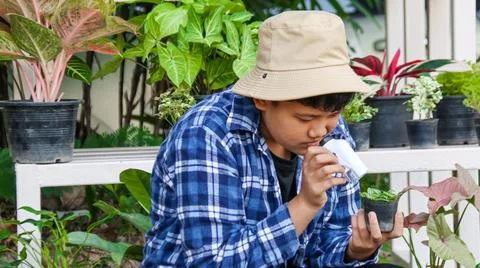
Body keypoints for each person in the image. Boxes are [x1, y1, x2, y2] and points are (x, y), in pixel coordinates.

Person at [143, 10, 403, 267]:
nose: (320, 131)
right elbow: (213, 261)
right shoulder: (207, 134)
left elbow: (328, 242)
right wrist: (305, 204)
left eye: (332, 115)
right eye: (304, 119)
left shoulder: (329, 128)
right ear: (262, 99)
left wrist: (354, 251)